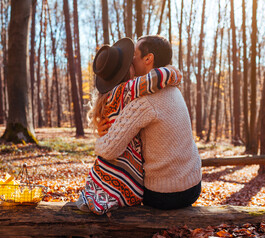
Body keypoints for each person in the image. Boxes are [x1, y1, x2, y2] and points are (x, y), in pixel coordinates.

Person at [76, 37, 182, 215]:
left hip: (104, 171)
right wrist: (174, 71)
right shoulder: (127, 90)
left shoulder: (109, 95)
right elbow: (160, 77)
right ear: (127, 70)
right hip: (124, 175)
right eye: (129, 59)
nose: (133, 59)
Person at [95, 35, 202, 210]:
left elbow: (109, 149)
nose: (130, 60)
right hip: (194, 184)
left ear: (148, 59)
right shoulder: (172, 87)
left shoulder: (144, 101)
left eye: (134, 56)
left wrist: (99, 141)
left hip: (165, 194)